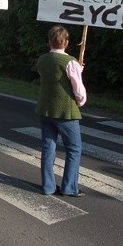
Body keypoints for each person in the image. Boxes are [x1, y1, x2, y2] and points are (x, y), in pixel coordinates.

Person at [35, 25, 87, 197]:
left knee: (48, 148)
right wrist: (80, 101)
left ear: (49, 41)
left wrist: (76, 69)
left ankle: (48, 187)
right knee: (73, 149)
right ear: (66, 42)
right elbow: (78, 88)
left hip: (45, 109)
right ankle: (69, 187)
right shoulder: (70, 61)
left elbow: (52, 77)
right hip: (66, 112)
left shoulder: (42, 59)